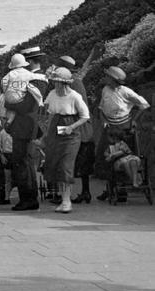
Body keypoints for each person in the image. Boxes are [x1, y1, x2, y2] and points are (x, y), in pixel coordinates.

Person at [95, 66, 150, 201]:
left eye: (108, 77)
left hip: (123, 128)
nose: (106, 79)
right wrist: (104, 122)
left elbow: (144, 104)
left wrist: (134, 120)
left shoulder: (126, 92)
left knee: (122, 156)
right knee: (105, 156)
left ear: (114, 80)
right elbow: (101, 108)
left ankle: (122, 190)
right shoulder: (105, 90)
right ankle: (109, 187)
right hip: (109, 127)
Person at [40, 68, 90, 213]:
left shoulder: (74, 96)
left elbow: (85, 116)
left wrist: (72, 126)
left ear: (65, 83)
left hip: (70, 133)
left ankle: (67, 201)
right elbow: (49, 115)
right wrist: (46, 134)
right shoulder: (52, 94)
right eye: (55, 82)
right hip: (56, 130)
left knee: (65, 166)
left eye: (59, 82)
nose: (56, 85)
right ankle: (63, 199)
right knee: (55, 165)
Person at [9, 46, 49, 211]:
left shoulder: (36, 80)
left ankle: (29, 199)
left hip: (26, 126)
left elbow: (26, 106)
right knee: (24, 163)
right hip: (29, 125)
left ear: (31, 62)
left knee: (23, 163)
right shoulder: (38, 79)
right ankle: (28, 198)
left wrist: (9, 102)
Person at [58, 55, 95, 204]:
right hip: (82, 128)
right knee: (81, 162)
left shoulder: (72, 83)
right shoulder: (76, 81)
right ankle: (84, 192)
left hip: (77, 128)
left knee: (70, 160)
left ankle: (69, 195)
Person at [1, 53, 48, 128]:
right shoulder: (31, 75)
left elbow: (26, 106)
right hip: (23, 123)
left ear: (29, 62)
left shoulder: (9, 74)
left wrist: (8, 103)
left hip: (26, 124)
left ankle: (8, 121)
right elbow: (40, 77)